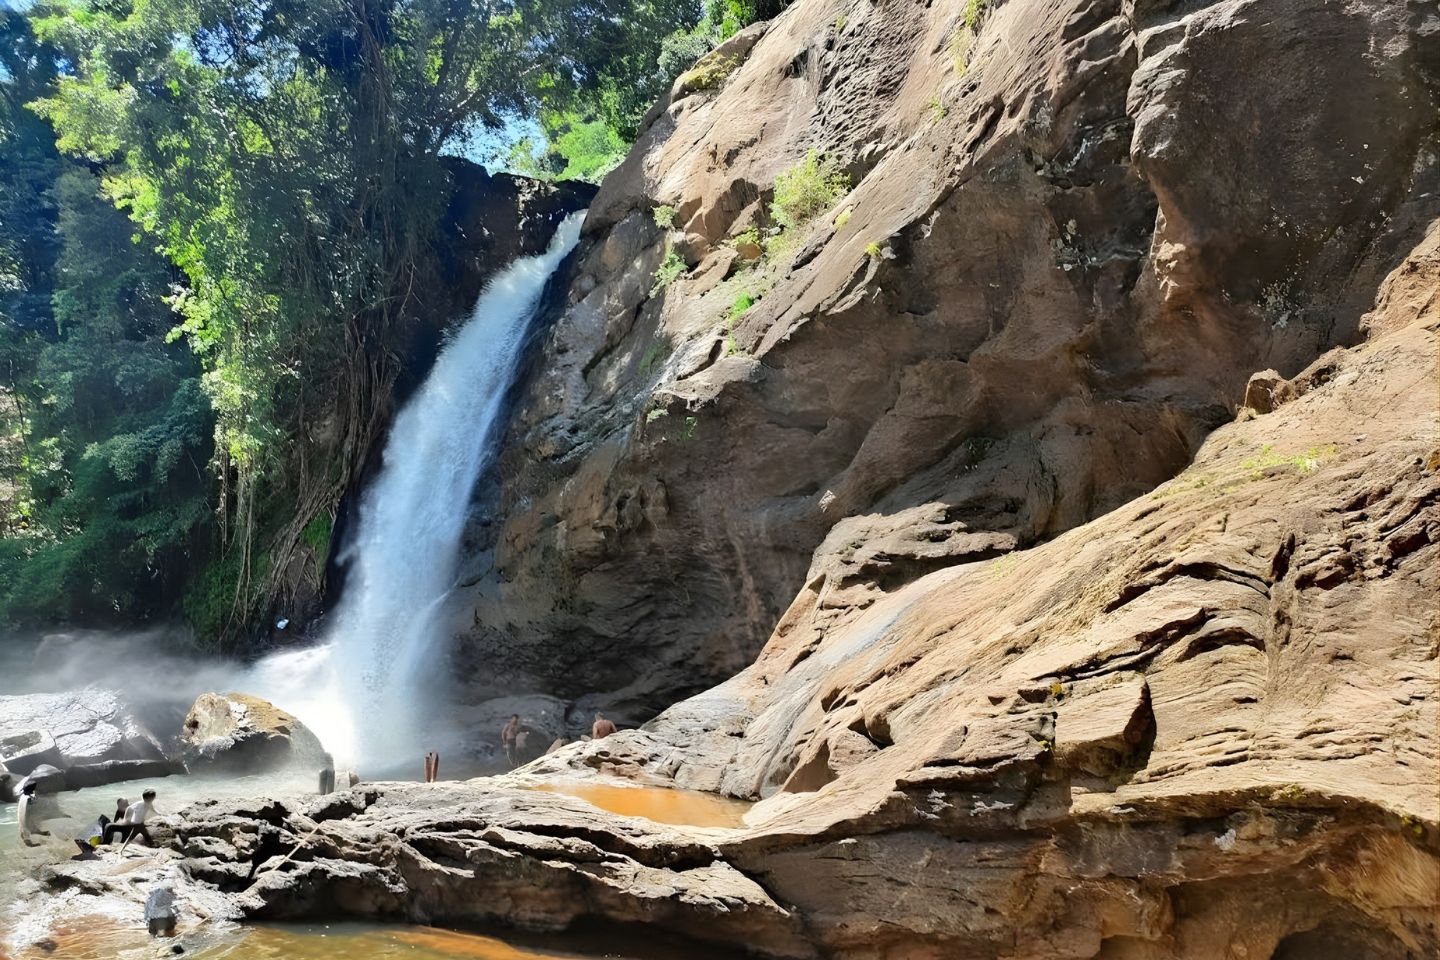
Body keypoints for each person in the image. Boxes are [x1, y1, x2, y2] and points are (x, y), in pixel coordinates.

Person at [17, 781, 47, 847]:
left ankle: (34, 832)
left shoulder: (23, 796)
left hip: (22, 822)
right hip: (26, 823)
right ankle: (34, 833)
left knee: (25, 836)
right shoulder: (29, 799)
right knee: (30, 843)